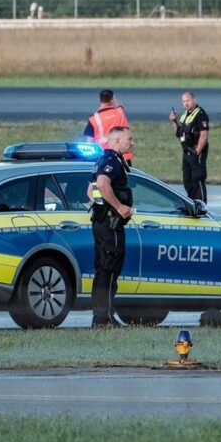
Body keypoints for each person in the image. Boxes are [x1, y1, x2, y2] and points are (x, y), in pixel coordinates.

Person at [88, 126, 135, 326]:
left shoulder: (101, 160)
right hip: (110, 226)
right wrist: (118, 207)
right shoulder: (112, 162)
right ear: (116, 141)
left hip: (102, 223)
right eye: (129, 139)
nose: (132, 143)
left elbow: (90, 191)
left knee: (103, 271)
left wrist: (101, 207)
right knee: (109, 270)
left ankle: (102, 315)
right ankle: (103, 318)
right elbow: (102, 184)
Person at [169, 91, 210, 203]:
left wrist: (197, 152)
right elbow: (178, 133)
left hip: (196, 152)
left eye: (188, 101)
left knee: (198, 179)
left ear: (194, 100)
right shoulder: (185, 115)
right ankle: (192, 203)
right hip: (186, 152)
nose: (186, 103)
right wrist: (174, 121)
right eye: (184, 101)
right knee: (187, 181)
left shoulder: (201, 115)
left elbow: (204, 135)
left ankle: (201, 206)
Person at [84, 89, 133, 162]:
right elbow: (119, 104)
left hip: (104, 156)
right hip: (123, 154)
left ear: (100, 100)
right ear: (112, 99)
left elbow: (89, 142)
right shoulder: (120, 112)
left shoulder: (94, 118)